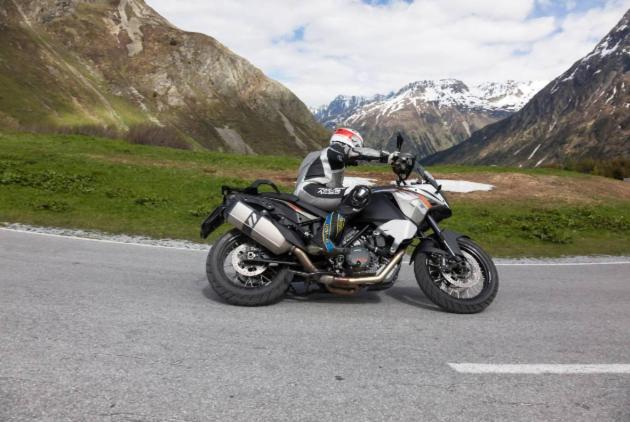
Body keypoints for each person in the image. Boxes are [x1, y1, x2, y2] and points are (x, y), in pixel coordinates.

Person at [294, 128, 398, 254]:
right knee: (361, 193)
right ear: (350, 141)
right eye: (357, 145)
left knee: (347, 199)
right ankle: (320, 241)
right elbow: (355, 153)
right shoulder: (335, 149)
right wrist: (389, 157)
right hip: (311, 190)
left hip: (308, 191)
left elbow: (334, 187)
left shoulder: (321, 156)